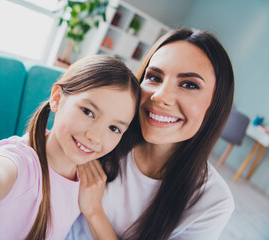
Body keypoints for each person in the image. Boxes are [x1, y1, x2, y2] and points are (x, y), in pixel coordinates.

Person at [0, 53, 140, 239]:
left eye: (114, 128)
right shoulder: (22, 162)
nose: (95, 137)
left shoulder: (89, 175)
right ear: (57, 98)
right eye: (88, 111)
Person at [66, 27, 235, 240]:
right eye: (154, 77)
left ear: (215, 106)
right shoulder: (104, 137)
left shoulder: (213, 202)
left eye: (189, 84)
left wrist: (93, 211)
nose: (160, 96)